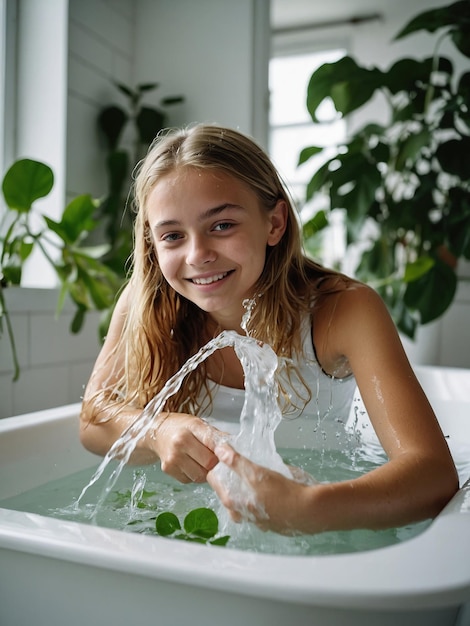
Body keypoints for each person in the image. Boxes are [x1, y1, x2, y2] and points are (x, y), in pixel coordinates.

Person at [80, 123, 458, 535]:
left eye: (222, 225)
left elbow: (433, 476)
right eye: (172, 236)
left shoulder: (344, 311)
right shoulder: (145, 301)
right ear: (153, 243)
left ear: (274, 222)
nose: (198, 255)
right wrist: (158, 430)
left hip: (330, 522)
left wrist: (310, 507)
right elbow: (93, 422)